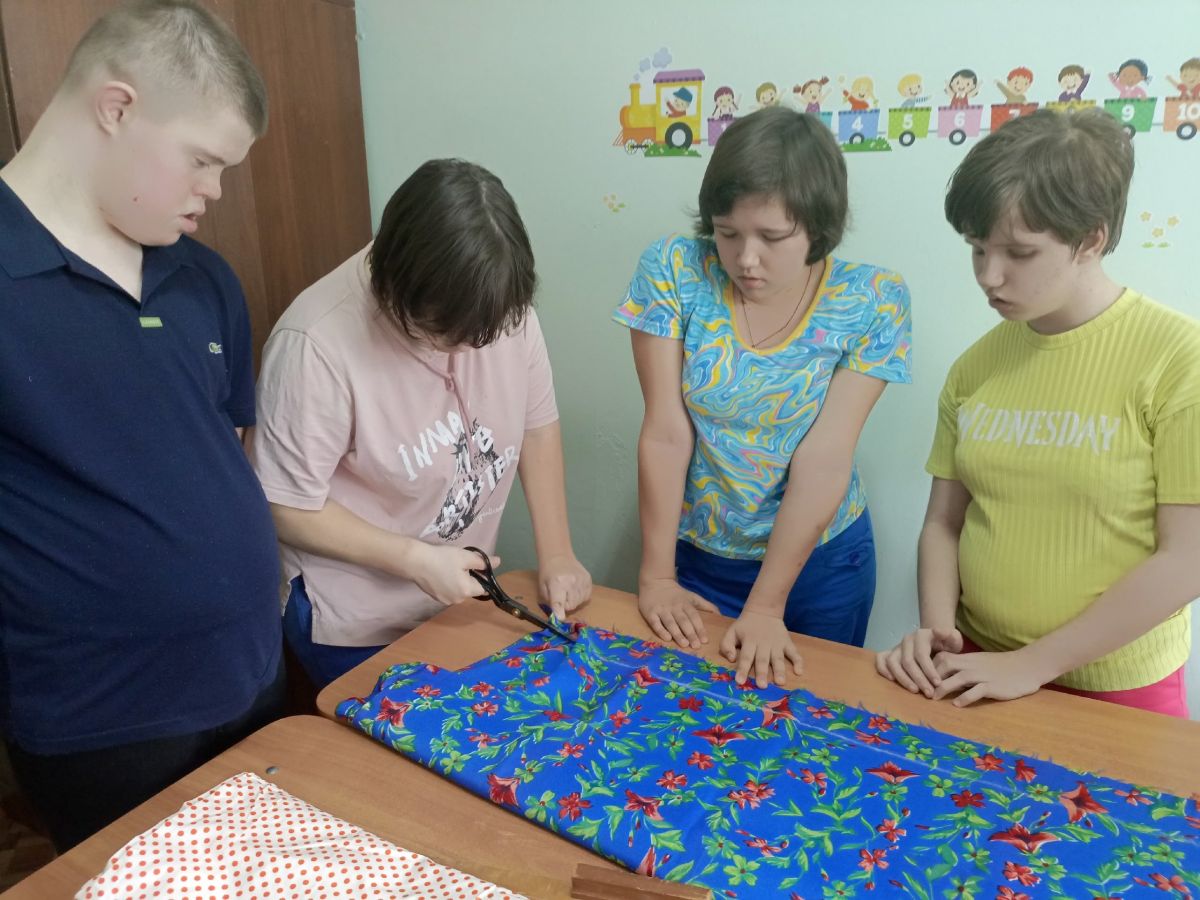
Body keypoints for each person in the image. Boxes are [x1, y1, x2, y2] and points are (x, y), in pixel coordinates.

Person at [0, 0, 283, 850]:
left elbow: (227, 453)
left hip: (251, 677)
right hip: (103, 722)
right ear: (117, 108)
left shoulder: (204, 278)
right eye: (203, 160)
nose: (215, 190)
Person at [876, 109, 1200, 718]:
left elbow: (1188, 558)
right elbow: (944, 523)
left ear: (1091, 239)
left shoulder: (1180, 360)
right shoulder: (976, 367)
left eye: (1019, 252)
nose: (988, 275)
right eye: (977, 249)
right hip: (976, 664)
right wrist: (938, 632)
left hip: (1115, 687)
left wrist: (1034, 663)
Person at [250, 159, 592, 689]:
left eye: (484, 335)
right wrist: (414, 559)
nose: (470, 349)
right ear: (395, 289)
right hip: (357, 618)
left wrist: (559, 553)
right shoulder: (314, 344)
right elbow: (284, 505)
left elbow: (537, 425)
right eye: (445, 334)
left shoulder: (496, 299)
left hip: (453, 600)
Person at [614, 107, 912, 689]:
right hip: (701, 555)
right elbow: (666, 431)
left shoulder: (872, 298)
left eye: (772, 238)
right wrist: (656, 578)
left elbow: (825, 456)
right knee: (686, 714)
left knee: (809, 719)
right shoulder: (674, 269)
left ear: (818, 228)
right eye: (727, 233)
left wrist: (767, 605)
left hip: (820, 564)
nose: (746, 259)